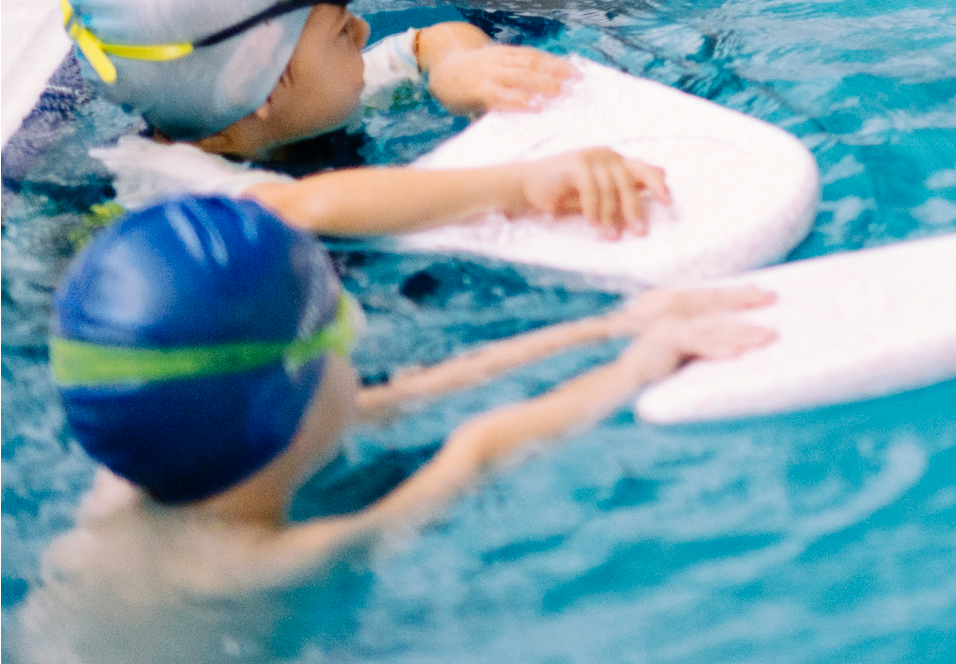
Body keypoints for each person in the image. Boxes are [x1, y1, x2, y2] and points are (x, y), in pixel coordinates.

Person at [29, 196, 770, 629]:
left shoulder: (144, 462)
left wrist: (613, 326)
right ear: (286, 391)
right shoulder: (261, 565)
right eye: (341, 332)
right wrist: (639, 367)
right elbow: (475, 453)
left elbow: (413, 393)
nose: (361, 360)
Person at [56, 0, 664, 240]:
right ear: (258, 85)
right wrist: (519, 184)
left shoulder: (267, 103)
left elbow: (431, 39)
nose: (368, 32)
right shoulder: (172, 184)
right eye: (343, 31)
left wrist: (455, 68)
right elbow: (310, 207)